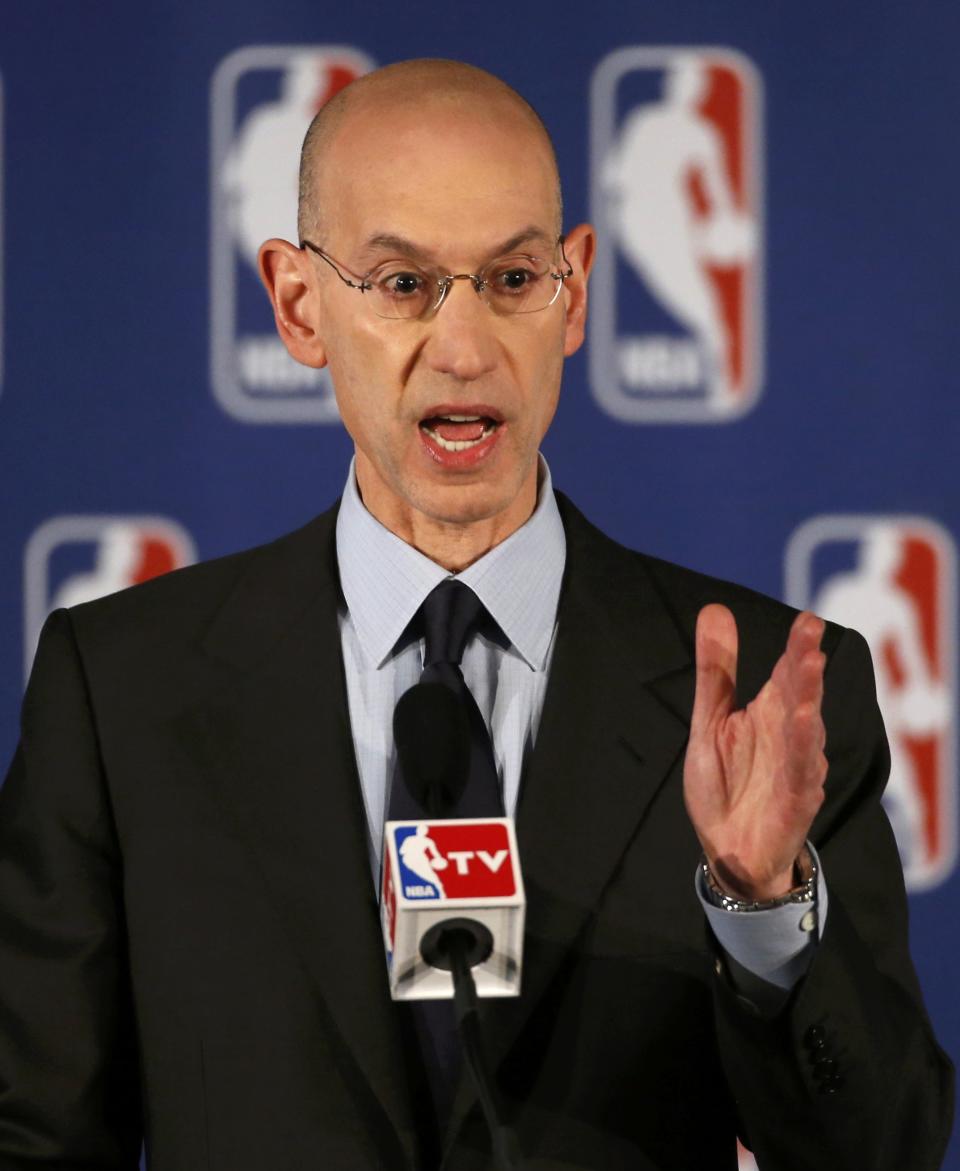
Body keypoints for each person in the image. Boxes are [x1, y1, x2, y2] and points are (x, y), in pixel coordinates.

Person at [0, 58, 952, 1171]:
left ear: (578, 292)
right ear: (299, 305)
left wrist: (763, 908)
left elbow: (882, 1149)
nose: (463, 347)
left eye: (511, 278)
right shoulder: (123, 693)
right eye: (403, 284)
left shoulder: (767, 698)